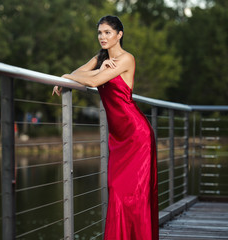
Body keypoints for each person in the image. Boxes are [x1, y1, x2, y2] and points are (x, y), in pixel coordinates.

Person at [52, 15, 158, 240]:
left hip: (137, 136)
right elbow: (78, 73)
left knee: (135, 196)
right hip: (118, 139)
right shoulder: (100, 58)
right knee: (117, 191)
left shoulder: (127, 59)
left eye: (108, 32)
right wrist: (76, 74)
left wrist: (72, 76)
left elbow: (89, 81)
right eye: (100, 32)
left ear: (119, 35)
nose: (102, 37)